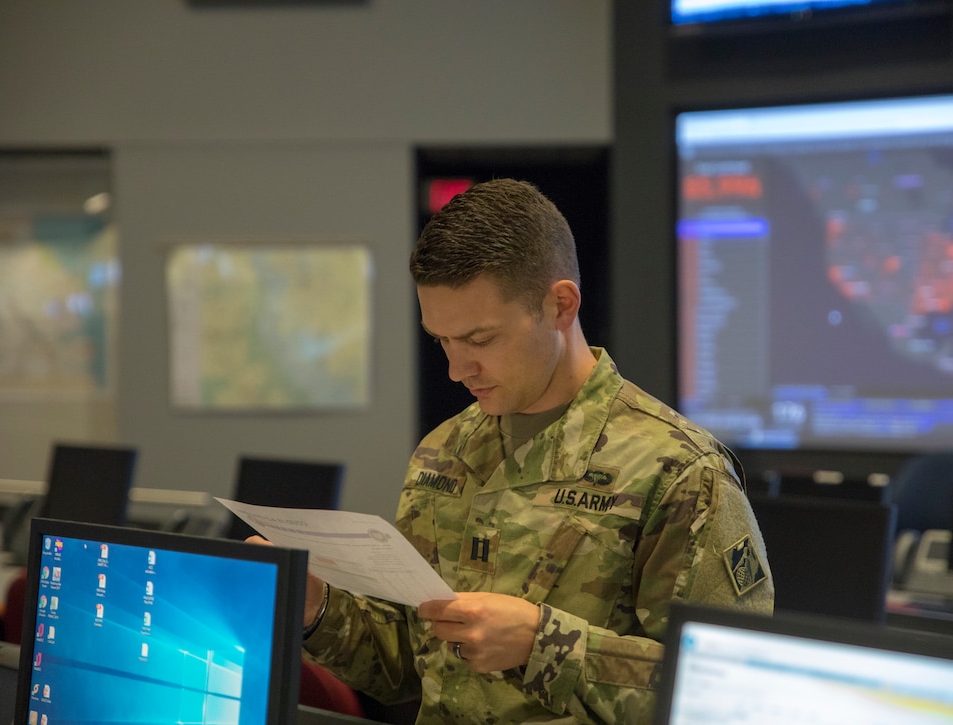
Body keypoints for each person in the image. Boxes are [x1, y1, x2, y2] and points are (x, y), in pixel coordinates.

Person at [297, 178, 773, 724]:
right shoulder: (444, 452)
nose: (457, 370)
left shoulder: (681, 472)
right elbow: (410, 664)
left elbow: (732, 696)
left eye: (480, 340)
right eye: (442, 342)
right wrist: (317, 609)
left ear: (560, 305)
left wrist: (543, 644)